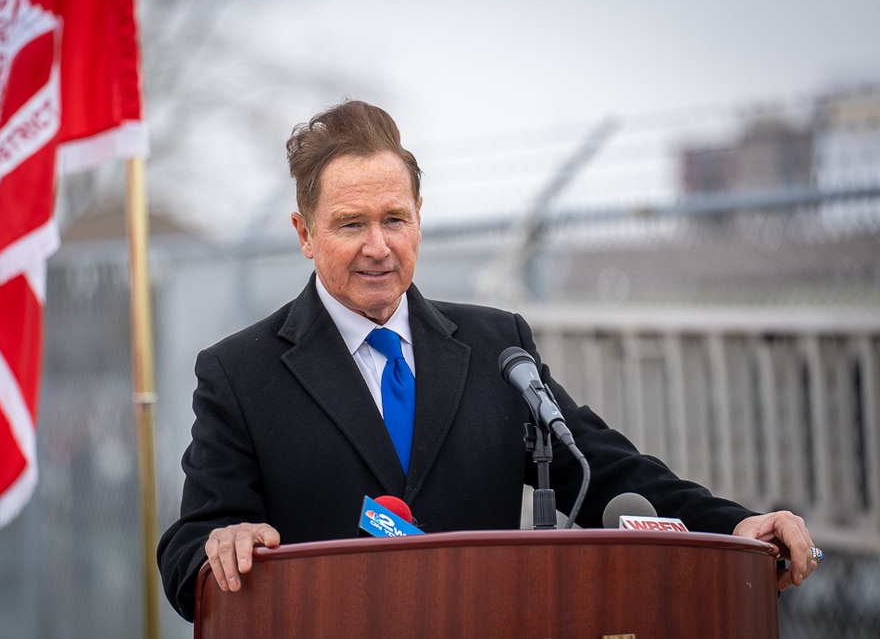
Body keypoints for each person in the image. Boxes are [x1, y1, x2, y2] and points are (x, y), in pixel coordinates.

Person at [157, 100, 820, 621]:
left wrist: (735, 523)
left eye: (395, 217)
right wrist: (222, 544)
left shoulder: (498, 347)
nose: (379, 246)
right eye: (351, 223)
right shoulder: (239, 374)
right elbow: (188, 550)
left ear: (420, 215)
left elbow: (605, 468)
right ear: (304, 233)